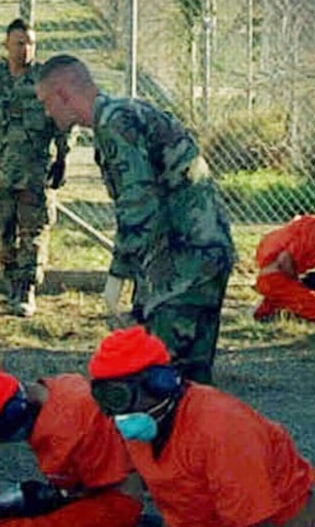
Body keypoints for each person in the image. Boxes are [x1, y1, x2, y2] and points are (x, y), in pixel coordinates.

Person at [35, 54, 236, 385]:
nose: (46, 112)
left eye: (46, 102)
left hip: (185, 259)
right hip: (200, 250)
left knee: (162, 376)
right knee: (192, 381)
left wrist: (118, 275)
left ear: (63, 95)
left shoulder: (115, 124)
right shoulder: (121, 114)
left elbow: (137, 207)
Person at [87, 327, 315, 527]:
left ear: (159, 384)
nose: (115, 412)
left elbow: (251, 518)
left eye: (119, 396)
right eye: (104, 398)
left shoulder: (220, 428)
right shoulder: (145, 421)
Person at [0, 363, 144, 527]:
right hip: (91, 487)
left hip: (118, 500)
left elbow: (120, 489)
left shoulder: (65, 430)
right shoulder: (54, 390)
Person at [0, 18, 70, 318]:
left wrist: (63, 157)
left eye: (30, 43)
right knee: (4, 233)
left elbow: (63, 122)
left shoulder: (45, 81)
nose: (25, 49)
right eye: (19, 43)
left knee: (33, 232)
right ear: (6, 45)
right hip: (0, 171)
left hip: (35, 173)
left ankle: (26, 289)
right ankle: (11, 283)